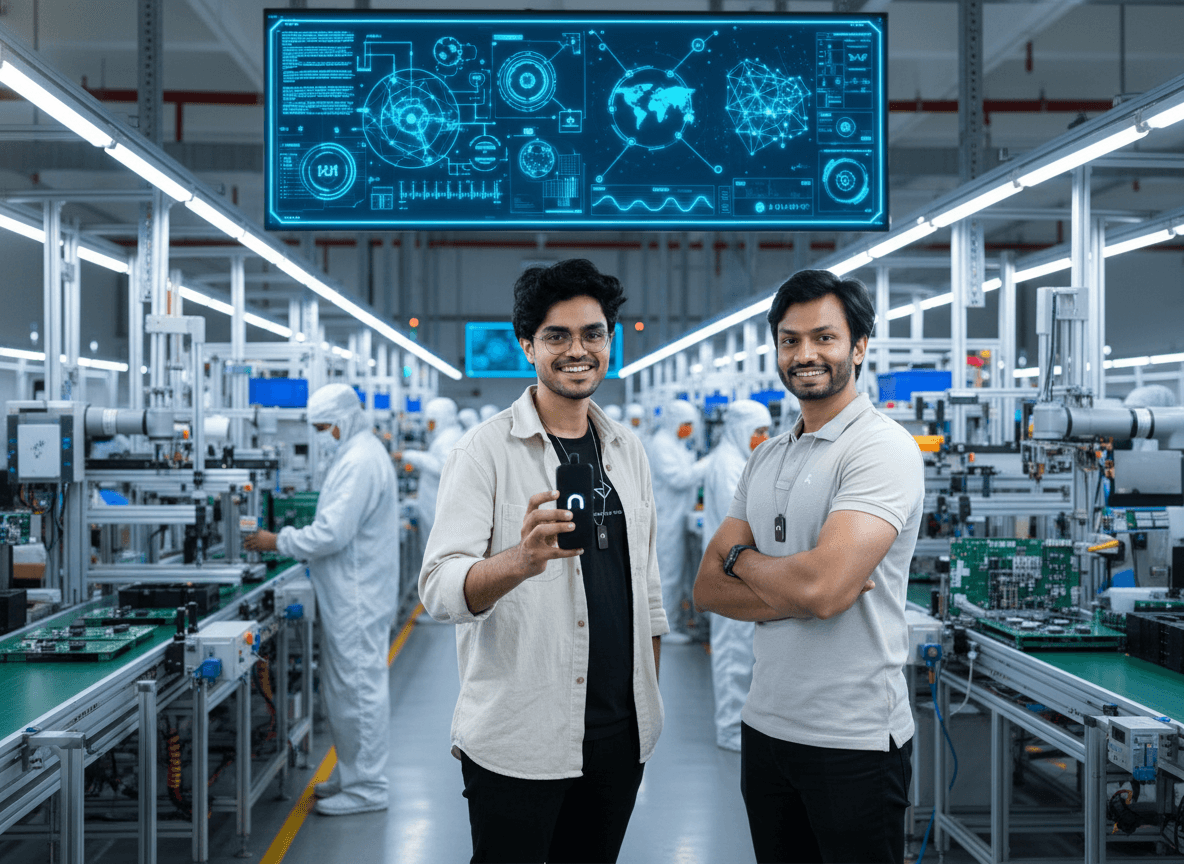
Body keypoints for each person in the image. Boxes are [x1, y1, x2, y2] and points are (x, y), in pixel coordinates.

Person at [420, 258, 667, 864]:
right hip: (521, 736)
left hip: (620, 735)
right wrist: (520, 562)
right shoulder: (484, 452)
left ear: (610, 342)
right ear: (528, 345)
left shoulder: (626, 448)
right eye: (557, 335)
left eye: (593, 333)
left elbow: (649, 590)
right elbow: (438, 587)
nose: (577, 350)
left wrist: (647, 704)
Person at [694, 269, 924, 864]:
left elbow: (823, 589)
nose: (806, 354)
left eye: (824, 337)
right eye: (790, 340)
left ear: (859, 346)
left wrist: (746, 562)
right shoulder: (766, 455)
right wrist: (794, 579)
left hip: (852, 740)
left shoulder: (881, 447)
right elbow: (707, 587)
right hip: (766, 727)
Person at [245, 383, 401, 816]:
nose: (320, 434)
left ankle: (368, 786)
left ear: (344, 419)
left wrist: (276, 540)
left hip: (356, 593)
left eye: (323, 426)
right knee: (344, 687)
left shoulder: (360, 460)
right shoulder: (356, 453)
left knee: (358, 689)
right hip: (351, 591)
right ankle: (353, 772)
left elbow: (332, 533)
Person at [700, 399, 771, 749]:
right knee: (731, 654)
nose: (763, 438)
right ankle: (729, 729)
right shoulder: (728, 464)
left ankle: (736, 724)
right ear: (741, 430)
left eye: (766, 432)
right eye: (758, 431)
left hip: (739, 567)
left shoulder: (738, 461)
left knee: (742, 652)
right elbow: (747, 517)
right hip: (729, 572)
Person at [643, 399, 708, 641]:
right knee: (668, 572)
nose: (689, 429)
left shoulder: (676, 443)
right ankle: (665, 627)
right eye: (686, 424)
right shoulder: (661, 444)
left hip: (678, 515)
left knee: (678, 571)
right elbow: (679, 479)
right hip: (667, 517)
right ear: (674, 422)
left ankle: (675, 621)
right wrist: (706, 465)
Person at [395, 396, 464, 541]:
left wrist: (408, 455)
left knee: (437, 555)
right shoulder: (446, 437)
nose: (428, 427)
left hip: (438, 509)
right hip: (436, 507)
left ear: (442, 419)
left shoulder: (449, 438)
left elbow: (442, 467)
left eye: (431, 422)